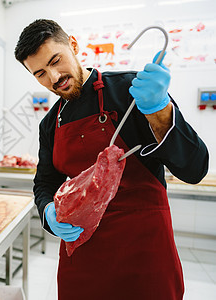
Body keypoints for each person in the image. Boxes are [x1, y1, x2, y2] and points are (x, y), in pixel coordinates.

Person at [14, 19, 209, 299]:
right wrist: (47, 211)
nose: (54, 77)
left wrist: (160, 109)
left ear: (73, 45)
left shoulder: (132, 91)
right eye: (40, 73)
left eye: (56, 60)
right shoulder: (50, 124)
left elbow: (195, 169)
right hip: (83, 253)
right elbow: (45, 183)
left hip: (144, 251)